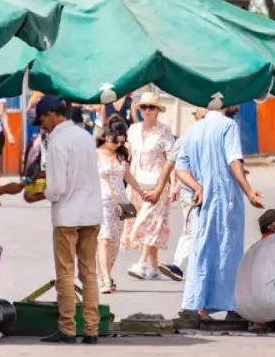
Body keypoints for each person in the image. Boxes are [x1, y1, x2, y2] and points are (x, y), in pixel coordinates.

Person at [24, 96, 103, 344]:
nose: (42, 127)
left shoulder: (58, 142)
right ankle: (91, 329)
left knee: (66, 274)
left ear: (51, 115)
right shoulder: (85, 137)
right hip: (91, 213)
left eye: (42, 122)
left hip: (67, 215)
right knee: (89, 273)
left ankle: (68, 328)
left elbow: (57, 188)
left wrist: (37, 195)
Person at [175, 105, 265, 319]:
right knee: (228, 252)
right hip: (226, 200)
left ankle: (199, 307)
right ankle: (232, 306)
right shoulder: (228, 126)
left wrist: (197, 187)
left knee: (202, 251)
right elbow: (234, 160)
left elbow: (180, 168)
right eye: (235, 102)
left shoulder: (193, 129)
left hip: (203, 203)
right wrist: (248, 191)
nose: (238, 106)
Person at [121, 93, 177, 280]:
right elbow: (128, 156)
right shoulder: (133, 129)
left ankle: (142, 263)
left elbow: (171, 160)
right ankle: (153, 268)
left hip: (157, 186)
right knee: (149, 224)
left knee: (149, 222)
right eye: (143, 107)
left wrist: (174, 184)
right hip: (137, 185)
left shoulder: (164, 131)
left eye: (151, 107)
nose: (146, 110)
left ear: (157, 110)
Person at [94, 116, 145, 293]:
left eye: (122, 141)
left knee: (114, 243)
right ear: (107, 135)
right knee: (104, 239)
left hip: (120, 205)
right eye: (115, 140)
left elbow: (127, 176)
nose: (118, 144)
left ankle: (105, 274)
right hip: (101, 203)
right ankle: (106, 280)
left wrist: (141, 192)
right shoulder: (95, 154)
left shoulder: (122, 154)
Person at [158, 107, 208, 282]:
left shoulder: (214, 138)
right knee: (190, 229)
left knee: (203, 231)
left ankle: (198, 267)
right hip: (191, 193)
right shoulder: (187, 137)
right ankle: (179, 265)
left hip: (210, 192)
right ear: (197, 118)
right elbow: (173, 164)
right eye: (203, 117)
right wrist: (165, 187)